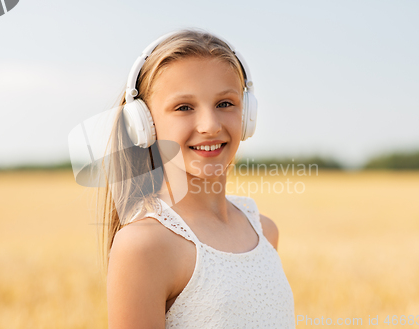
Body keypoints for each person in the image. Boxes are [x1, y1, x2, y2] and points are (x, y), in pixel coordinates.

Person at [99, 28, 295, 328]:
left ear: (247, 115)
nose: (210, 125)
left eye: (225, 104)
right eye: (184, 107)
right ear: (145, 125)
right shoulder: (143, 245)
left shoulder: (264, 231)